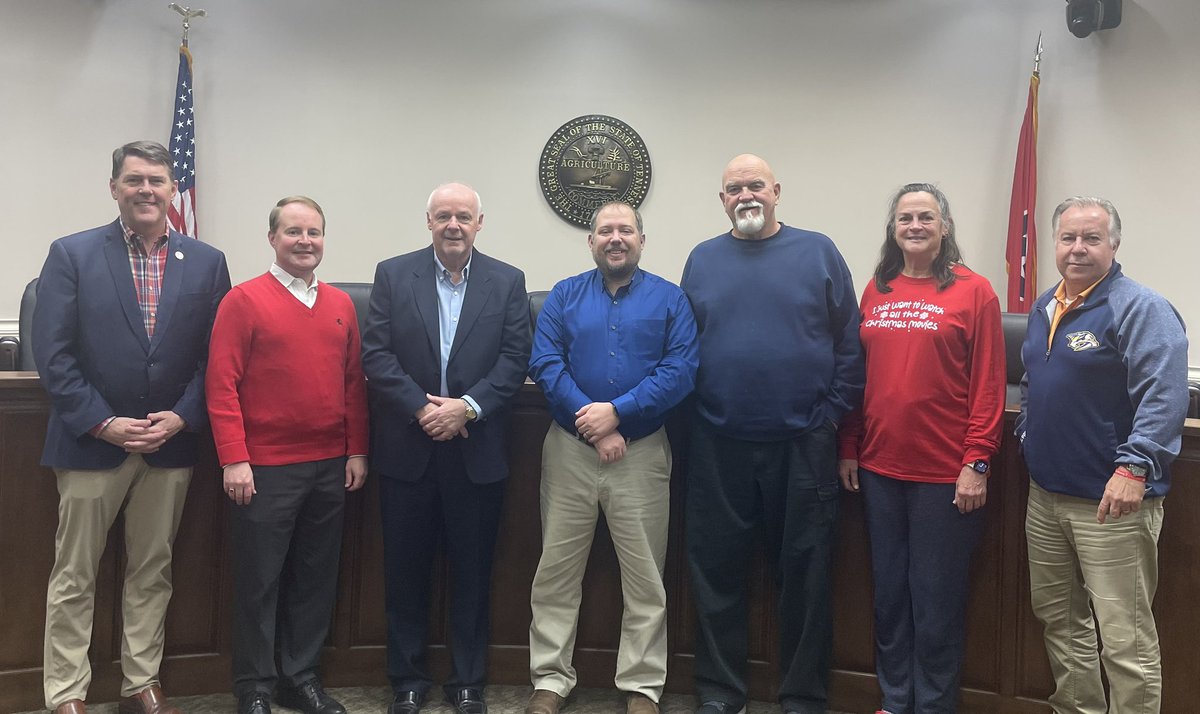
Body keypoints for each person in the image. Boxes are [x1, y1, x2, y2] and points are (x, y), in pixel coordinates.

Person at [32, 140, 231, 714]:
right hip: (91, 443)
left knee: (152, 569)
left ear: (173, 191)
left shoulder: (207, 260)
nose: (147, 190)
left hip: (169, 444)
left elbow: (213, 356)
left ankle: (140, 683)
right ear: (114, 187)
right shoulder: (71, 254)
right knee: (75, 575)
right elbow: (53, 352)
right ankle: (65, 692)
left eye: (158, 181)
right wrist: (103, 422)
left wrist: (184, 415)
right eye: (135, 180)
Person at [680, 154, 864, 714]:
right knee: (715, 574)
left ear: (777, 191)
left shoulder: (818, 251)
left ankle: (803, 697)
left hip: (804, 442)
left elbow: (850, 346)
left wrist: (830, 416)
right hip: (718, 442)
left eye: (755, 184)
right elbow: (685, 346)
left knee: (806, 577)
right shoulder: (703, 259)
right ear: (722, 200)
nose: (745, 195)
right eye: (734, 188)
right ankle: (718, 693)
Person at [361, 183, 531, 714]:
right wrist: (424, 409)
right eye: (443, 216)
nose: (452, 225)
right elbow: (377, 355)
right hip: (407, 449)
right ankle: (407, 679)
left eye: (463, 216)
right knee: (405, 570)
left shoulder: (507, 281)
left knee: (473, 571)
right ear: (428, 222)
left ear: (480, 223)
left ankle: (467, 681)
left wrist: (467, 408)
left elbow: (514, 359)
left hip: (476, 451)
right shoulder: (393, 274)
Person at [836, 183, 1005, 714]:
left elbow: (989, 386)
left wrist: (976, 461)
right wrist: (848, 446)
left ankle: (932, 705)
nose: (915, 225)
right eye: (905, 217)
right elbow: (858, 377)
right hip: (880, 469)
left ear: (944, 227)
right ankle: (893, 699)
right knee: (889, 595)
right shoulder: (876, 290)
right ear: (893, 228)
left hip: (945, 476)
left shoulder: (975, 292)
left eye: (926, 217)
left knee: (935, 600)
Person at [526, 201, 698, 714]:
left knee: (645, 576)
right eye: (606, 230)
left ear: (641, 240)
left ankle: (642, 687)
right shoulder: (563, 295)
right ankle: (550, 680)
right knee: (555, 571)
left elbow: (681, 369)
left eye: (625, 229)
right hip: (569, 453)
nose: (615, 237)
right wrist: (593, 422)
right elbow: (545, 363)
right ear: (591, 241)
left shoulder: (671, 300)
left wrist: (618, 414)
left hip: (642, 454)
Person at [1017, 196, 1188, 714]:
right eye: (1068, 238)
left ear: (1113, 244)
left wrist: (1135, 465)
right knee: (1060, 620)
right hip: (1046, 497)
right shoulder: (1046, 304)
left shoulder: (1140, 307)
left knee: (1125, 639)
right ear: (1055, 244)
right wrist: (1028, 430)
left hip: (1110, 504)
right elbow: (1032, 379)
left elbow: (1164, 394)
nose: (1078, 249)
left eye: (1091, 238)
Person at [205, 196, 369, 714]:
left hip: (329, 467)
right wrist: (234, 457)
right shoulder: (243, 301)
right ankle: (253, 686)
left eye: (314, 232)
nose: (305, 241)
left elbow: (353, 386)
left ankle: (300, 678)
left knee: (315, 578)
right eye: (293, 232)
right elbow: (221, 385)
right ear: (272, 238)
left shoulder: (342, 305)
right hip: (265, 468)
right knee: (260, 581)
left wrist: (356, 451)